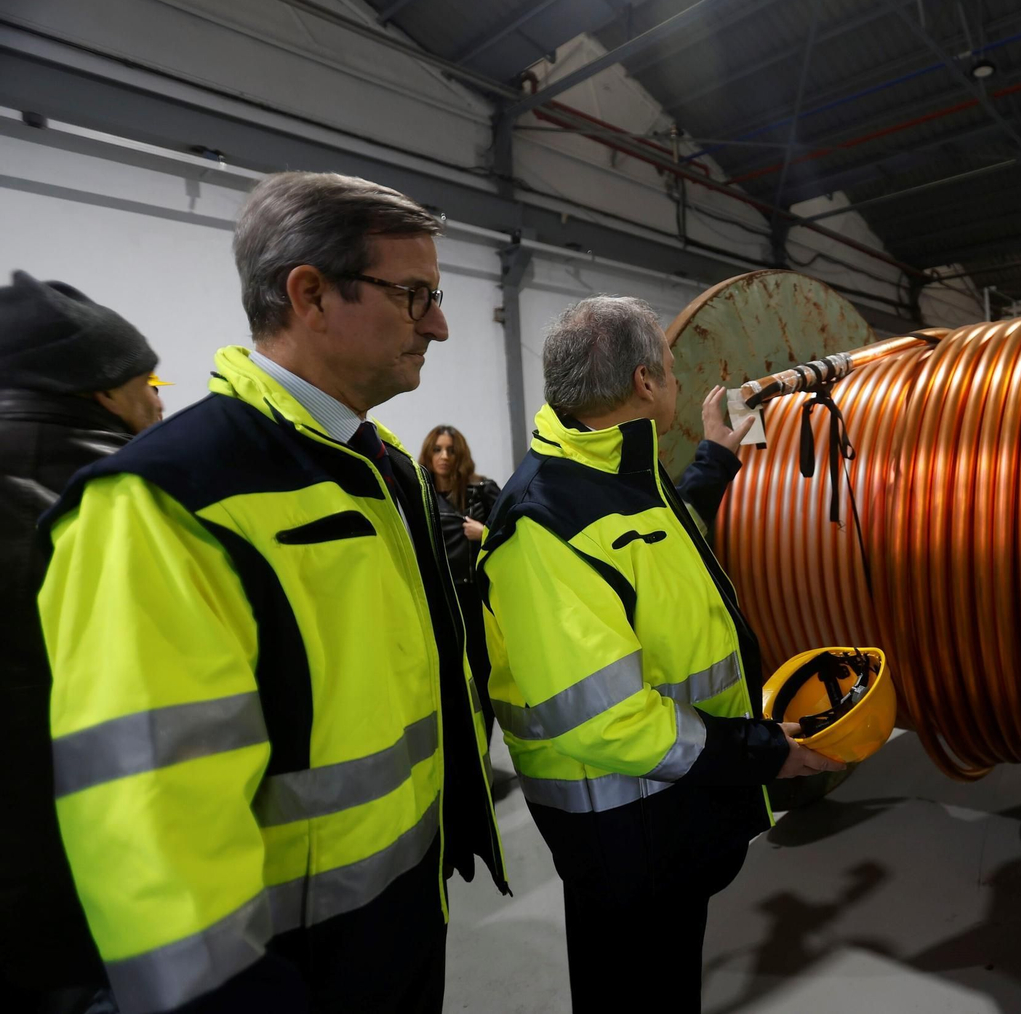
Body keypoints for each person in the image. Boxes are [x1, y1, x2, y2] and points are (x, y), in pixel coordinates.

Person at [35, 171, 507, 1014]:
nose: (438, 323)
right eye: (414, 295)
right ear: (311, 293)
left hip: (401, 921)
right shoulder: (163, 501)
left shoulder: (383, 468)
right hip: (287, 973)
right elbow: (150, 826)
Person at [477, 294, 844, 1012]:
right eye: (671, 371)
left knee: (667, 982)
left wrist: (718, 454)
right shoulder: (543, 525)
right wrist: (764, 750)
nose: (676, 383)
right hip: (625, 837)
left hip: (666, 821)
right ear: (645, 383)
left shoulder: (615, 482)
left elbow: (667, 542)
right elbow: (610, 721)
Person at [0, 272, 168, 1013]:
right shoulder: (129, 501)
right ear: (101, 390)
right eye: (149, 381)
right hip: (99, 886)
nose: (160, 400)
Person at [420, 425, 500, 718]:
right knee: (446, 677)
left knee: (483, 673)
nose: (444, 456)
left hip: (475, 597)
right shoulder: (420, 493)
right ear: (428, 454)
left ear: (460, 455)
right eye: (437, 449)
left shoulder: (480, 490)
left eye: (450, 450)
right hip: (439, 597)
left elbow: (517, 533)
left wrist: (485, 533)